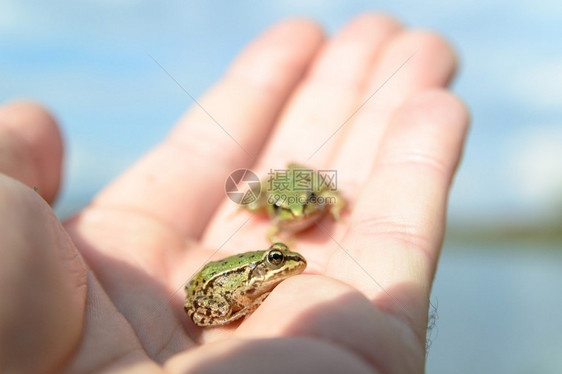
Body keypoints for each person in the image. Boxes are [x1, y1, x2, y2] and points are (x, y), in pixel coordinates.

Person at [0, 13, 469, 373]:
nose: (282, 262)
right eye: (277, 259)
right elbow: (245, 276)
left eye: (279, 257)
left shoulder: (312, 199)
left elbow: (319, 200)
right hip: (212, 291)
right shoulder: (268, 236)